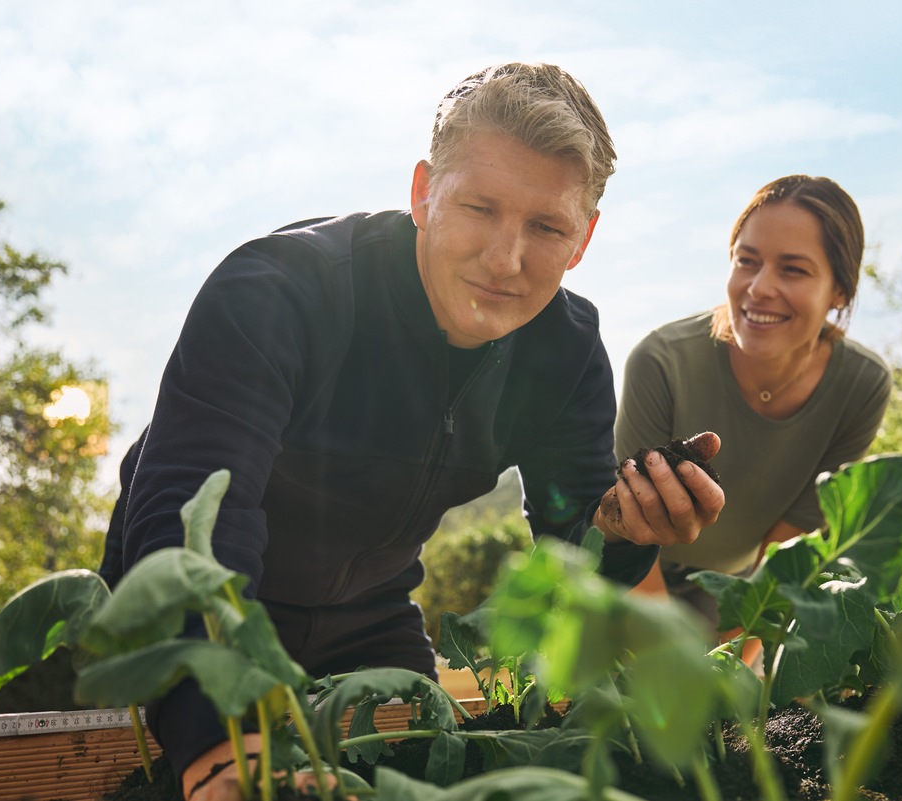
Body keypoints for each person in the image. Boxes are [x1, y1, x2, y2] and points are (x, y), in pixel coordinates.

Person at [102, 62, 725, 801]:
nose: (506, 259)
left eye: (546, 226)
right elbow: (192, 520)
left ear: (583, 238)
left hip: (371, 616)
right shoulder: (275, 292)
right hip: (214, 610)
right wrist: (216, 739)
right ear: (423, 193)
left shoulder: (564, 351)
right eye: (480, 208)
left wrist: (621, 529)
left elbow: (574, 538)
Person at [615, 174, 891, 630]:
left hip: (729, 587)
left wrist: (739, 662)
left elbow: (787, 555)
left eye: (793, 269)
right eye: (747, 261)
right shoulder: (661, 361)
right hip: (629, 575)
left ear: (840, 289)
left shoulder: (861, 386)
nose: (760, 287)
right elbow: (627, 534)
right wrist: (675, 665)